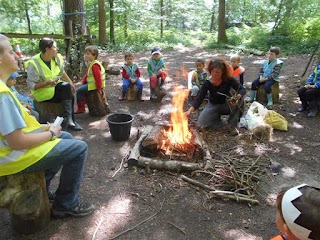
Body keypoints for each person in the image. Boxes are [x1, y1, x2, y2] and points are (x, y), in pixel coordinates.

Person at [0, 34, 94, 218]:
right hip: (10, 158)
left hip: (11, 151)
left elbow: (13, 131)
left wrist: (44, 129)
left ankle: (44, 188)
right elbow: (17, 142)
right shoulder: (3, 95)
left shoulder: (3, 89)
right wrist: (50, 133)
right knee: (79, 148)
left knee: (65, 137)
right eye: (12, 52)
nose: (17, 56)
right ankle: (66, 203)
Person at [26, 38, 82, 130]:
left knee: (67, 89)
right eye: (55, 47)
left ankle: (69, 119)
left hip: (56, 88)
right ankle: (69, 120)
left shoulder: (57, 57)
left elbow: (61, 72)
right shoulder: (33, 63)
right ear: (47, 49)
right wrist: (46, 83)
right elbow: (31, 85)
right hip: (42, 94)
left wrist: (70, 82)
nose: (57, 49)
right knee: (66, 90)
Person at [185, 59, 246, 135]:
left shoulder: (228, 79)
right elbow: (199, 99)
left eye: (217, 72)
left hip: (227, 104)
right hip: (213, 105)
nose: (214, 74)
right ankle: (217, 121)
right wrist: (189, 111)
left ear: (222, 72)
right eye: (213, 72)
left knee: (241, 100)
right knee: (200, 125)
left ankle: (232, 125)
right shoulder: (207, 83)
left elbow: (242, 89)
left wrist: (238, 96)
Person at [74, 45, 106, 113]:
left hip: (94, 85)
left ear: (94, 55)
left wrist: (99, 88)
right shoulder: (92, 63)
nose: (86, 55)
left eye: (88, 54)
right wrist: (83, 81)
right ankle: (84, 101)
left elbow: (98, 78)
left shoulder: (95, 65)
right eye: (85, 53)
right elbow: (87, 74)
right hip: (92, 84)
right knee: (82, 88)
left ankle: (81, 108)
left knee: (79, 91)